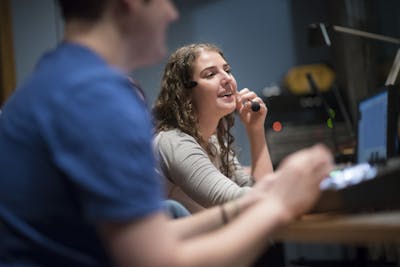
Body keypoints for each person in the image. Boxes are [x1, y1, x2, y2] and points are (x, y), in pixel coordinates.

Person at [0, 1, 333, 267]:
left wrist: (265, 199)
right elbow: (158, 261)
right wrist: (276, 207)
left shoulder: (53, 83)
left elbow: (152, 235)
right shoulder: (98, 98)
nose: (172, 12)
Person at [153, 43, 273, 213]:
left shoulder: (213, 142)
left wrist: (256, 130)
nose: (227, 79)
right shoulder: (174, 142)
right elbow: (241, 203)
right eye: (210, 74)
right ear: (184, 93)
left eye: (227, 70)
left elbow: (257, 190)